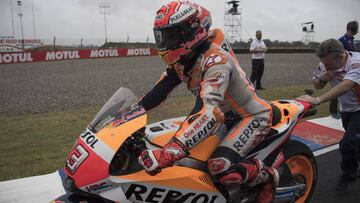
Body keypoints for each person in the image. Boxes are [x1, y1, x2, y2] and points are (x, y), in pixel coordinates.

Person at [137, 1, 278, 202]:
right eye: (163, 36)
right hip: (223, 117)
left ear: (192, 31)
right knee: (191, 159)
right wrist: (129, 113)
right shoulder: (185, 59)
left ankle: (267, 177)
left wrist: (171, 150)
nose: (166, 42)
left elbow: (209, 111)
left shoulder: (216, 60)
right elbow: (158, 92)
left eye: (171, 35)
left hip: (249, 116)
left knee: (219, 166)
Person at [297, 39, 360, 192]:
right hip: (347, 110)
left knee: (348, 143)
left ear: (341, 56)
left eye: (329, 64)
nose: (326, 67)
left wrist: (317, 100)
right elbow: (316, 84)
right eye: (324, 64)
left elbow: (346, 86)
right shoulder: (325, 63)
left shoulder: (356, 62)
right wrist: (322, 79)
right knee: (354, 142)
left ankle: (348, 175)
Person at [330, 21, 359, 119]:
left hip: (350, 69)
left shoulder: (351, 40)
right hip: (340, 70)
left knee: (347, 90)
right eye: (357, 28)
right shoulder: (342, 40)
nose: (358, 31)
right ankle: (333, 111)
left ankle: (342, 109)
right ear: (353, 28)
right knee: (337, 89)